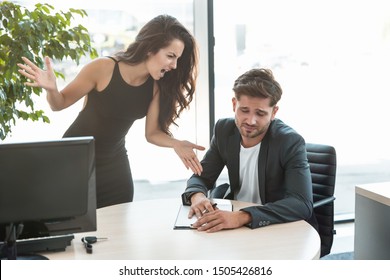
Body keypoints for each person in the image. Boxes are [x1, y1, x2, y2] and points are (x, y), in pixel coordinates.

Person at [17, 14, 205, 208]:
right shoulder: (103, 68)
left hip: (115, 169)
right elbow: (59, 103)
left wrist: (176, 144)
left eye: (177, 59)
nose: (174, 66)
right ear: (150, 48)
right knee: (72, 231)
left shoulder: (156, 85)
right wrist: (52, 90)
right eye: (170, 56)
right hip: (74, 162)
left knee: (116, 234)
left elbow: (152, 133)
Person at [181, 68, 317, 233]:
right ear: (234, 104)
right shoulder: (224, 130)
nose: (250, 120)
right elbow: (202, 177)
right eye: (244, 110)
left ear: (274, 112)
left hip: (274, 225)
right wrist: (198, 196)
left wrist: (241, 217)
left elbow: (301, 203)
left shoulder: (289, 141)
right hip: (233, 222)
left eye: (260, 113)